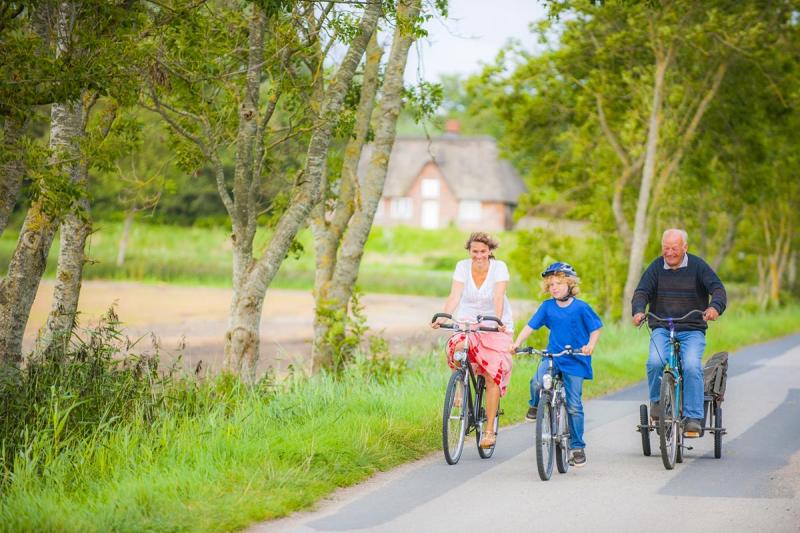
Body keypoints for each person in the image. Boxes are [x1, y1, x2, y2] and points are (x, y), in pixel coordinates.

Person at [632, 228, 727, 438]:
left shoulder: (698, 266)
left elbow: (718, 289)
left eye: (674, 248)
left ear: (685, 247)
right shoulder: (656, 267)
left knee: (692, 366)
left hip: (692, 328)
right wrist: (639, 311)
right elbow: (642, 292)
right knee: (655, 361)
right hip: (662, 326)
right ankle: (657, 404)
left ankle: (693, 418)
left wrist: (714, 308)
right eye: (666, 248)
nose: (670, 252)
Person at [509, 262, 602, 467]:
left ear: (570, 285)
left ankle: (577, 446)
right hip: (553, 356)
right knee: (536, 382)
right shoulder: (547, 307)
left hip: (576, 359)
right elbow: (530, 326)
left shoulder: (581, 307)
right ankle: (535, 405)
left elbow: (596, 328)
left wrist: (590, 345)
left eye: (559, 283)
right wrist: (517, 343)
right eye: (551, 284)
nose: (554, 287)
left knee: (574, 405)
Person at [432, 232, 514, 449]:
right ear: (469, 251)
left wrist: (496, 321)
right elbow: (454, 296)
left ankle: (489, 432)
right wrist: (444, 315)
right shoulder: (461, 266)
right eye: (475, 251)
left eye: (483, 252)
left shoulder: (499, 268)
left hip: (494, 322)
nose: (479, 256)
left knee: (491, 374)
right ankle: (460, 387)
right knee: (458, 348)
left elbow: (498, 296)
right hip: (468, 320)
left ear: (490, 252)